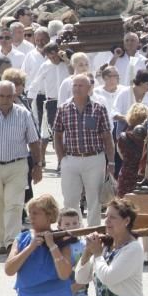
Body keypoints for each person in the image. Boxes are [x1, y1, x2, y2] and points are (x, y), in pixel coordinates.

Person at [53, 74, 114, 226]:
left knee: (94, 199)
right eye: (74, 85)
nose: (77, 88)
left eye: (81, 86)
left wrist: (111, 161)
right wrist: (61, 158)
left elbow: (107, 136)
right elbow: (57, 134)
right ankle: (75, 230)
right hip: (71, 159)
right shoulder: (63, 109)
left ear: (89, 88)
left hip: (94, 158)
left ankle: (93, 232)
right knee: (70, 199)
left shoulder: (98, 109)